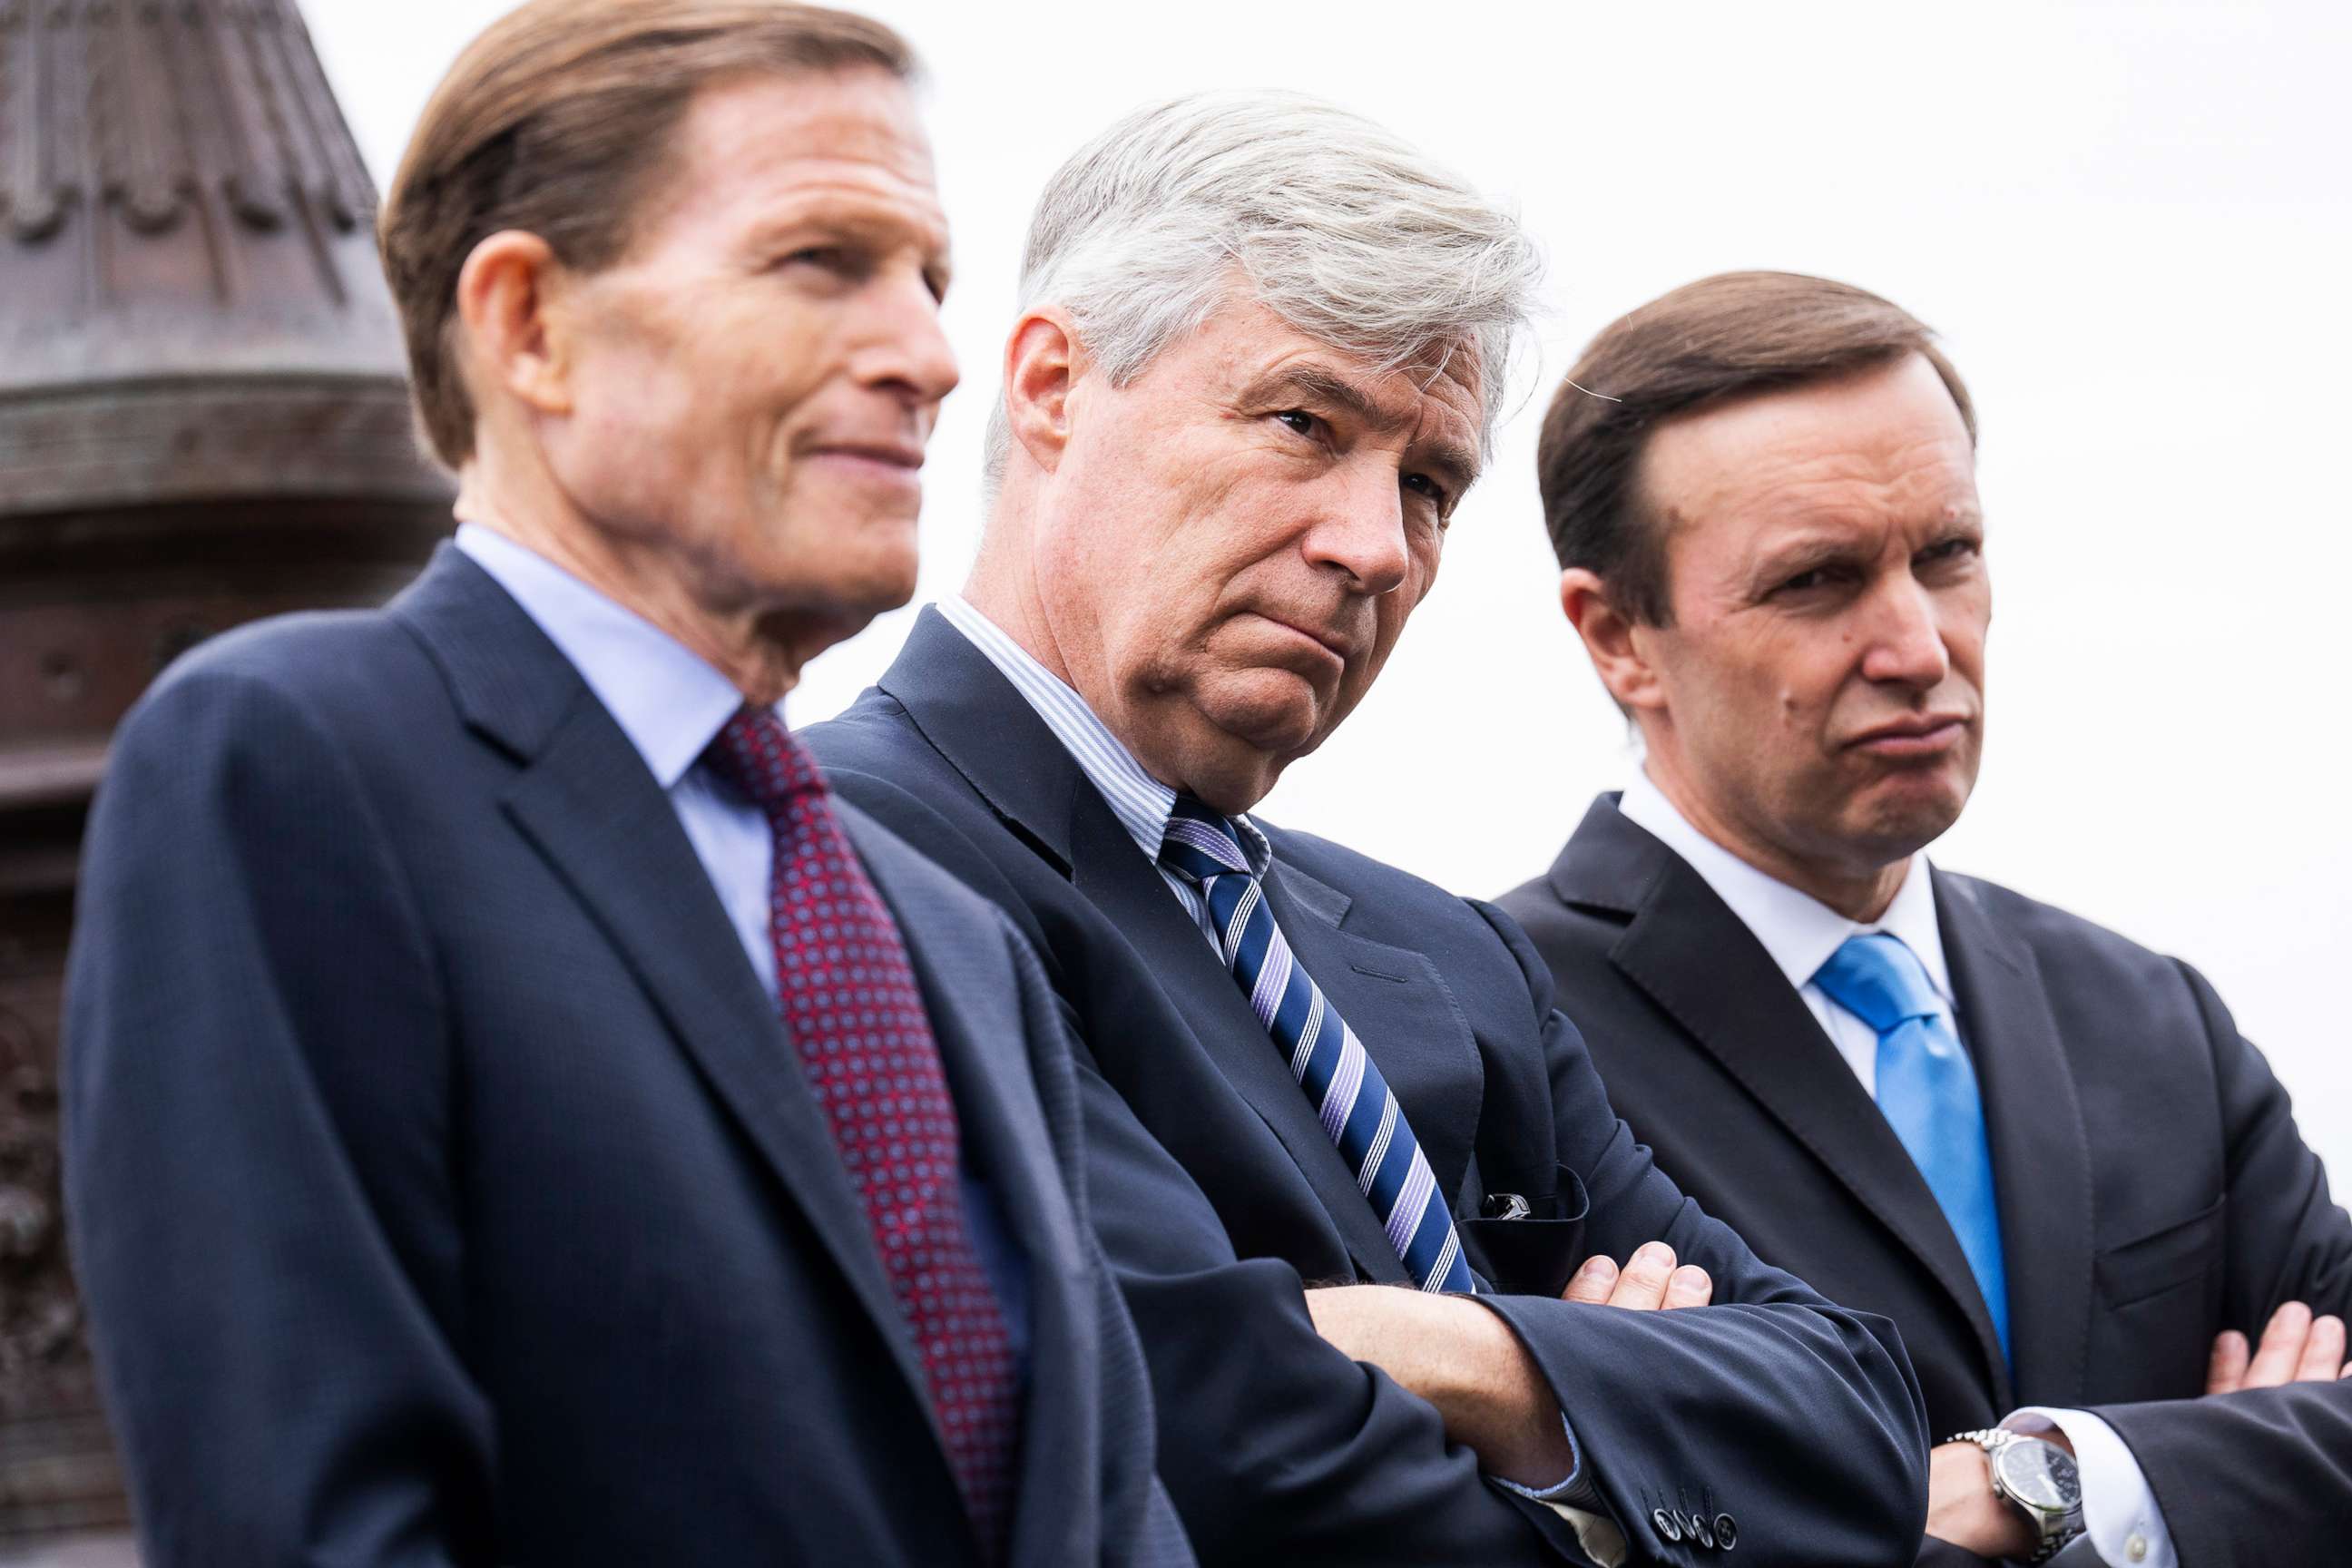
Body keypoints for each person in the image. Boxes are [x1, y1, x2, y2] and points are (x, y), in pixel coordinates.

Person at [62, 5, 1191, 1564]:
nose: (932, 358)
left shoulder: (950, 942)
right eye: (822, 261)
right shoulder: (296, 768)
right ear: (528, 323)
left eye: (930, 280)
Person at [805, 95, 1929, 1568]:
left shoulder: (1450, 956)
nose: (1375, 547)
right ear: (1054, 385)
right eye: (1302, 423)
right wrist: (1615, 1441)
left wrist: (1466, 1354)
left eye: (1428, 483)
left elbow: (1860, 1413)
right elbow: (1206, 1439)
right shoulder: (839, 867)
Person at [1498, 270, 2352, 1567]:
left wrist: (2058, 1480)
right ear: (1617, 635)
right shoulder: (1488, 1035)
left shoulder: (2150, 1020)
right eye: (1819, 581)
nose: (1915, 644)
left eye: (1946, 556)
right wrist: (2213, 1492)